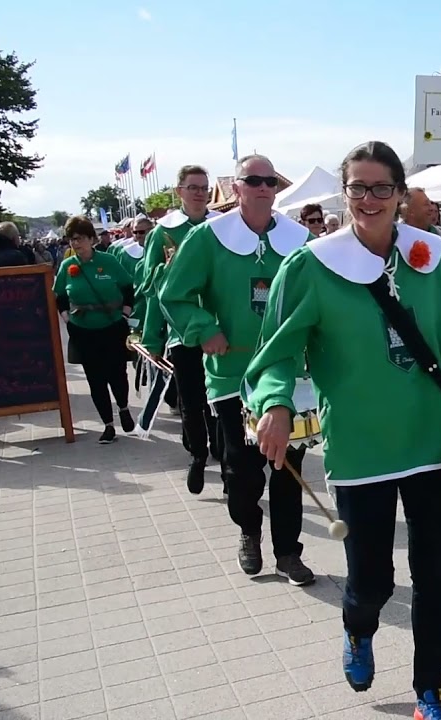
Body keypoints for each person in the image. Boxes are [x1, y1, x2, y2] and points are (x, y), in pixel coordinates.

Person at [244, 140, 441, 720]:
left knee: (435, 578)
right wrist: (274, 405)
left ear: (400, 193)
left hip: (433, 441)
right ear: (345, 192)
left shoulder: (433, 256)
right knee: (372, 580)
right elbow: (277, 354)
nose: (368, 199)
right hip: (361, 447)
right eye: (357, 187)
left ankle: (432, 692)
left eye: (381, 188)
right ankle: (357, 627)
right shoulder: (312, 266)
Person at [161, 154, 316, 585]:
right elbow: (173, 294)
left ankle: (288, 552)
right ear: (236, 187)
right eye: (253, 180)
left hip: (289, 373)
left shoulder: (300, 239)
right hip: (233, 373)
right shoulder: (208, 238)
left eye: (270, 181)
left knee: (288, 467)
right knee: (242, 469)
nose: (263, 187)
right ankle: (249, 530)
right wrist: (203, 328)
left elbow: (319, 298)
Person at [137, 164, 223, 493]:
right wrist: (152, 337)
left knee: (223, 397)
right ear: (179, 192)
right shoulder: (163, 232)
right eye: (193, 187)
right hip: (182, 330)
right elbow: (150, 286)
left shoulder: (222, 226)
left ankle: (225, 459)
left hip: (220, 326)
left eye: (204, 187)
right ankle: (198, 455)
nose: (200, 193)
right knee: (191, 399)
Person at [54, 216, 135, 444]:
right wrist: (66, 318)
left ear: (91, 239)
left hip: (112, 326)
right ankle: (108, 425)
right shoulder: (67, 266)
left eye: (79, 238)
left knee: (117, 374)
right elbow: (59, 295)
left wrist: (125, 314)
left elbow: (128, 288)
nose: (75, 243)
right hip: (83, 330)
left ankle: (123, 407)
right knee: (95, 379)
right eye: (72, 239)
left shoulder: (108, 261)